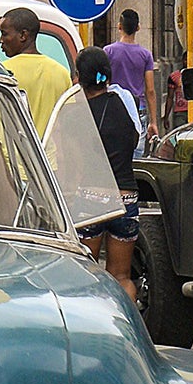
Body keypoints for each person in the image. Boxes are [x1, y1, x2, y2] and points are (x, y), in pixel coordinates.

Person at [74, 47, 141, 300]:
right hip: (127, 199)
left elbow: (74, 164)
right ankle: (127, 332)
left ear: (79, 76)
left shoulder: (76, 112)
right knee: (121, 277)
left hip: (92, 199)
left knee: (86, 277)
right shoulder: (124, 108)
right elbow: (133, 142)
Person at [0, 6, 72, 135]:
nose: (0, 40)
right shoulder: (61, 73)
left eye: (4, 34)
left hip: (12, 153)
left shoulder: (3, 72)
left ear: (23, 35)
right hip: (48, 155)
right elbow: (67, 123)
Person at [104, 9, 158, 141]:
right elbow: (150, 90)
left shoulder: (108, 51)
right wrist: (153, 121)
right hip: (138, 109)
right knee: (136, 156)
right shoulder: (146, 55)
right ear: (138, 27)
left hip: (115, 108)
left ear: (119, 26)